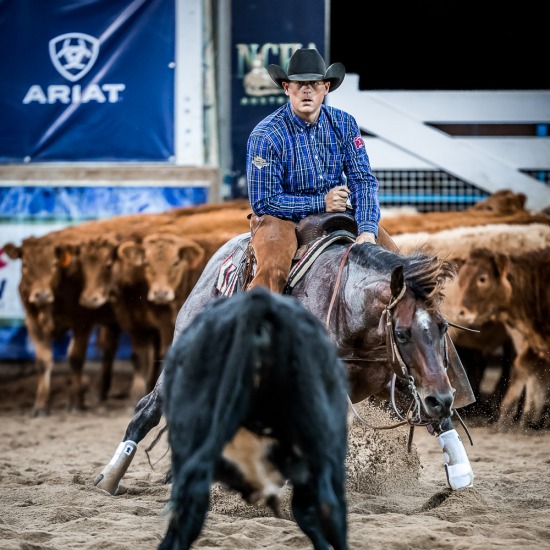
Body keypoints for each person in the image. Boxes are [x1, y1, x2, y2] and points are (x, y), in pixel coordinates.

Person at [246, 47, 381, 293]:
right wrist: (322, 203)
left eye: (314, 83)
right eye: (299, 84)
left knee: (395, 264)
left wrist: (368, 229)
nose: (306, 90)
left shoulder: (344, 123)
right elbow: (264, 202)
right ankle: (258, 325)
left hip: (337, 211)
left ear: (326, 88)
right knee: (273, 271)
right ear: (287, 88)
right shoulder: (266, 135)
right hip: (281, 219)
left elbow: (362, 179)